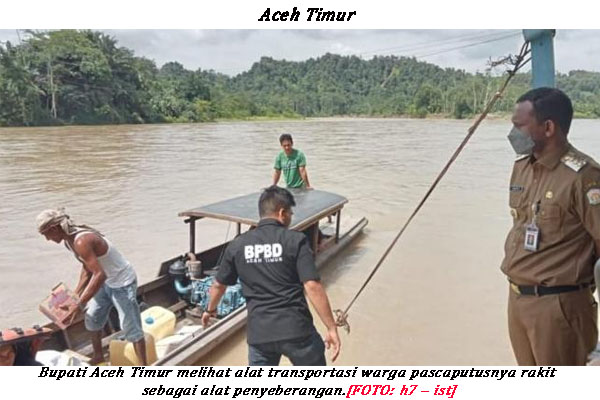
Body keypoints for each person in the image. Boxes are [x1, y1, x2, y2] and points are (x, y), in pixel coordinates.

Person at [501, 87, 600, 366]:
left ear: (548, 127)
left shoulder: (584, 177)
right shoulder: (522, 167)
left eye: (519, 125)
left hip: (559, 307)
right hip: (518, 299)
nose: (513, 133)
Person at [201, 186, 340, 365]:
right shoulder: (295, 240)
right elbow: (312, 286)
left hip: (260, 335)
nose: (291, 217)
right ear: (282, 213)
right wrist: (331, 327)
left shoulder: (237, 245)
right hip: (297, 332)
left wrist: (209, 310)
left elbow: (219, 285)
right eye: (290, 212)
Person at [36, 209, 147, 365]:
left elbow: (98, 274)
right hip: (105, 281)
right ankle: (98, 355)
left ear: (54, 229)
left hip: (122, 282)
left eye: (46, 234)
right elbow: (87, 268)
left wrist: (78, 304)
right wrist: (74, 296)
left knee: (130, 327)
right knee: (93, 318)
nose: (47, 239)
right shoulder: (69, 241)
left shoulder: (82, 241)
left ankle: (145, 368)